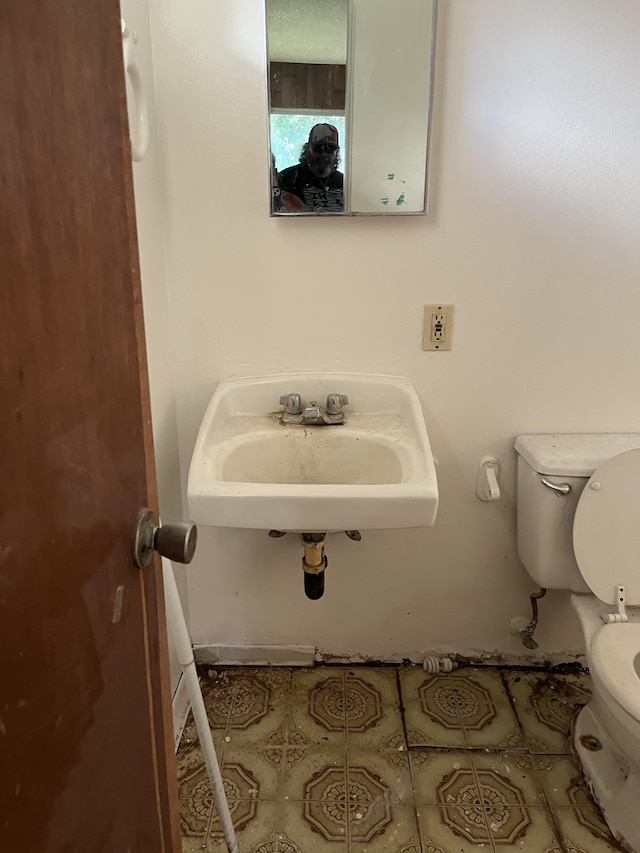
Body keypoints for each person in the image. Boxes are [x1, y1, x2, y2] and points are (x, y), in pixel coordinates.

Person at [277, 124, 344, 213]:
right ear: (308, 149)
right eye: (318, 148)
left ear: (337, 152)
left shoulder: (343, 182)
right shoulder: (288, 178)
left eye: (330, 148)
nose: (324, 154)